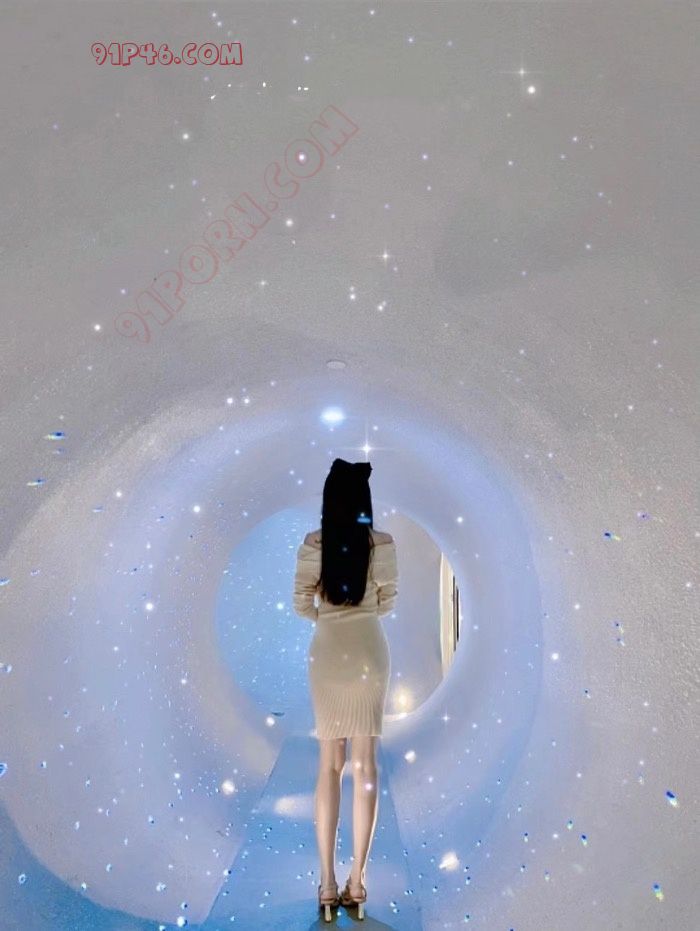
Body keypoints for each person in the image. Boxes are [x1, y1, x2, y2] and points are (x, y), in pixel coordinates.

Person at [293, 458, 398, 921]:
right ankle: (358, 881)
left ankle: (327, 882)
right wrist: (360, 619)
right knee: (366, 765)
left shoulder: (314, 544)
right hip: (370, 656)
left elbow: (300, 604)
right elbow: (387, 603)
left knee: (329, 766)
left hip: (328, 656)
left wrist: (330, 621)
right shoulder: (382, 543)